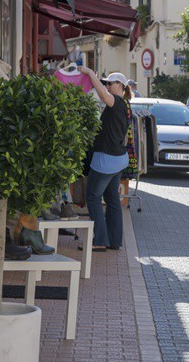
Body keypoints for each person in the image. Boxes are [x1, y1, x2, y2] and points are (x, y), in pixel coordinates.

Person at [77, 67, 132, 251]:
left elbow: (103, 96)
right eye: (106, 82)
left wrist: (90, 73)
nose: (107, 86)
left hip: (106, 161)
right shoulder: (125, 105)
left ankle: (100, 240)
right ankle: (114, 241)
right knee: (112, 198)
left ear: (120, 85)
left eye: (110, 83)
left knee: (92, 197)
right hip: (118, 159)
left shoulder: (116, 102)